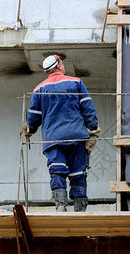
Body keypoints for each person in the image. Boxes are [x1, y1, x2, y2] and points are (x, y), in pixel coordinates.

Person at [23, 55, 100, 212]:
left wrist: (29, 130)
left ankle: (60, 207)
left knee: (57, 170)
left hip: (53, 139)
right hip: (76, 136)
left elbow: (33, 117)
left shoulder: (39, 89)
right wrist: (93, 130)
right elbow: (88, 108)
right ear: (59, 66)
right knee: (78, 173)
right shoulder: (76, 82)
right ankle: (80, 210)